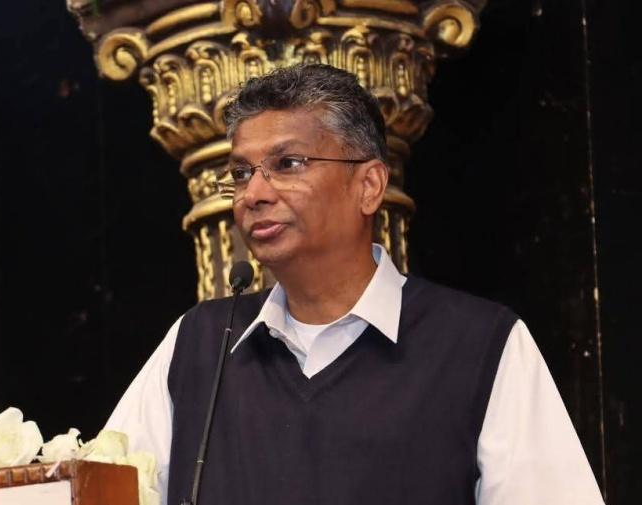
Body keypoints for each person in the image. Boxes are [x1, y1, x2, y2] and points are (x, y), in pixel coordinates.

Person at [105, 64, 604, 505]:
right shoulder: (199, 343)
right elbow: (101, 487)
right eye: (240, 173)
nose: (253, 193)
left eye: (287, 164)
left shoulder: (479, 345)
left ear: (369, 186)